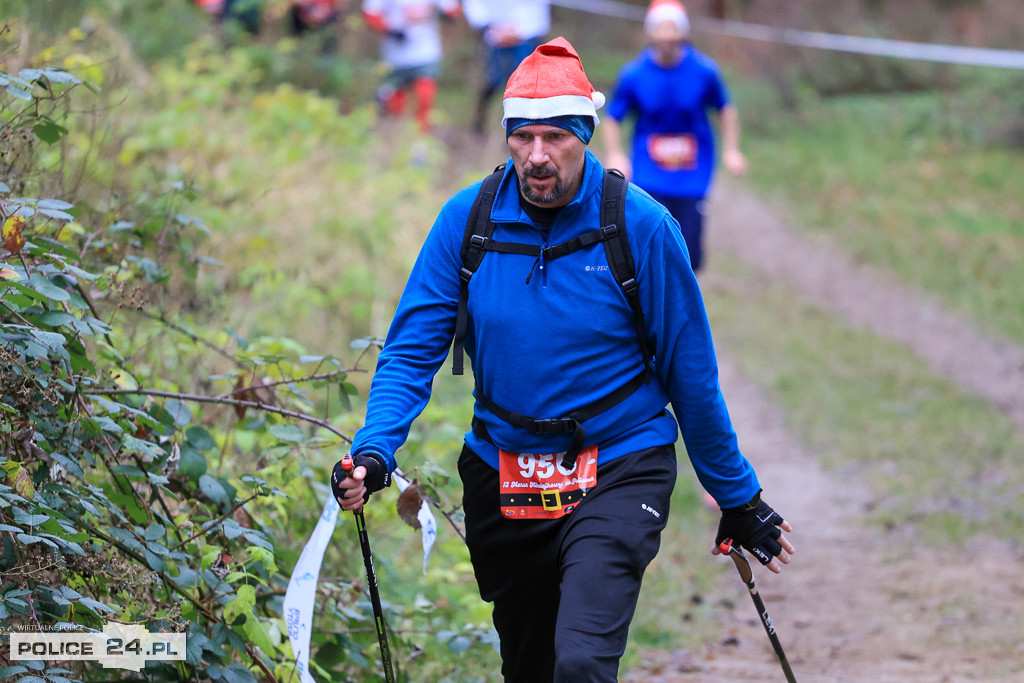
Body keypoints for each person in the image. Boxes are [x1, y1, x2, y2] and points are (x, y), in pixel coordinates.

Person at [332, 36, 794, 683]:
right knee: (531, 668)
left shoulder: (641, 226)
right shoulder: (468, 221)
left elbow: (691, 375)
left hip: (619, 464)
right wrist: (375, 449)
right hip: (504, 471)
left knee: (580, 663)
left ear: (586, 134)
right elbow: (412, 351)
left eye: (555, 137)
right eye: (522, 137)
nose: (537, 155)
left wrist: (736, 494)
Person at [602, 0, 747, 272]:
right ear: (650, 32)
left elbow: (726, 110)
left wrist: (731, 150)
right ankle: (650, 296)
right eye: (661, 28)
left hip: (692, 175)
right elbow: (612, 117)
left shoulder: (704, 71)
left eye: (673, 28)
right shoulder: (634, 74)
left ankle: (682, 296)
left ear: (684, 32)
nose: (667, 35)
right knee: (648, 248)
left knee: (689, 256)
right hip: (649, 173)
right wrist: (615, 154)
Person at [361, 0, 461, 132]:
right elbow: (370, 12)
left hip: (426, 52)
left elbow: (452, 9)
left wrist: (451, 14)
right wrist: (389, 30)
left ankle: (420, 135)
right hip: (395, 57)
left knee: (425, 95)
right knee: (395, 104)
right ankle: (392, 133)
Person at [462, 0, 550, 134]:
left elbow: (539, 10)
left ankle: (523, 127)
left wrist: (520, 31)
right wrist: (489, 27)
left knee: (526, 84)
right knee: (492, 81)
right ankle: (480, 121)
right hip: (495, 35)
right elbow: (475, 6)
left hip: (526, 37)